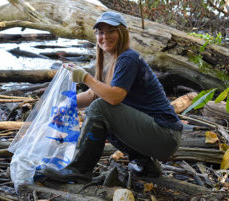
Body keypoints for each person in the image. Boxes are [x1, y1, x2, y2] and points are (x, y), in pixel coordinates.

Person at [43, 11, 183, 183]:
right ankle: (145, 164)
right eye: (101, 32)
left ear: (122, 33)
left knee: (100, 109)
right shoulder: (112, 61)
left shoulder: (128, 58)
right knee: (103, 118)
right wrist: (66, 102)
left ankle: (79, 170)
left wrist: (86, 77)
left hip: (165, 135)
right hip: (156, 135)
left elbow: (114, 98)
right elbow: (92, 94)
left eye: (111, 31)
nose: (105, 36)